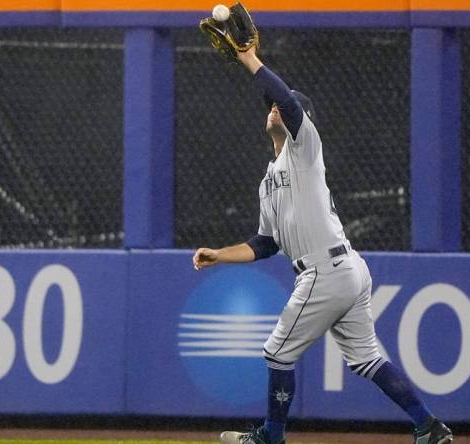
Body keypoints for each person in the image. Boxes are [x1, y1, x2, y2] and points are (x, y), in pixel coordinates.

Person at [192, 44, 453, 444]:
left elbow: (286, 101)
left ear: (303, 120)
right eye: (272, 107)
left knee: (277, 353)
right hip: (342, 270)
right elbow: (265, 243)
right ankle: (429, 427)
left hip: (325, 271)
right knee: (368, 359)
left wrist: (249, 59)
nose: (275, 109)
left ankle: (270, 438)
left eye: (284, 106)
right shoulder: (269, 180)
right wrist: (219, 255)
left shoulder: (305, 148)